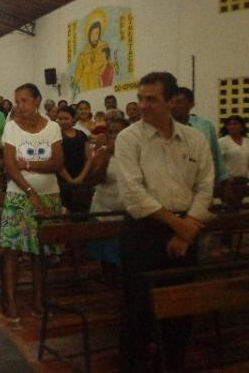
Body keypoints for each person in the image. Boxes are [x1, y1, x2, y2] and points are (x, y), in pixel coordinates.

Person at [115, 72, 214, 371]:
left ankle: (171, 364)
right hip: (145, 231)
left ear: (172, 101)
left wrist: (188, 229)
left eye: (151, 99)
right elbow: (133, 194)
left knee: (181, 309)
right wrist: (178, 224)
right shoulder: (128, 138)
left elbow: (206, 185)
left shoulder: (194, 139)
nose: (143, 106)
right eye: (140, 99)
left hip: (186, 230)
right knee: (138, 311)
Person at [0, 83, 63, 323]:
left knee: (41, 252)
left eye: (24, 100)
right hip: (18, 195)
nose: (20, 106)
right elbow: (9, 164)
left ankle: (38, 299)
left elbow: (57, 162)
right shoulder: (12, 128)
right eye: (17, 101)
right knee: (12, 250)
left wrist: (27, 164)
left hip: (49, 194)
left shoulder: (53, 127)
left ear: (36, 100)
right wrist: (29, 190)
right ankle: (12, 301)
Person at [86, 118, 129, 278]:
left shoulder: (134, 151)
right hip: (103, 210)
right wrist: (108, 155)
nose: (114, 135)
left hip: (126, 212)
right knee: (107, 259)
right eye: (111, 132)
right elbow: (95, 179)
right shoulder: (102, 153)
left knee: (125, 257)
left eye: (118, 132)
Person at [172, 87, 228, 184]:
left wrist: (224, 178)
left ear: (191, 104)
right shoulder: (163, 126)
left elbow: (215, 154)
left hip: (202, 182)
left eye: (179, 102)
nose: (174, 106)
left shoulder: (205, 126)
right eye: (172, 102)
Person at [57, 106, 93, 214]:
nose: (63, 121)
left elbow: (88, 158)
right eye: (60, 119)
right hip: (62, 180)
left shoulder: (82, 135)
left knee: (81, 212)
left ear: (73, 119)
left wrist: (81, 177)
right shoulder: (55, 136)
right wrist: (69, 179)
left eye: (66, 118)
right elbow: (57, 161)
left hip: (82, 179)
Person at [73, 19, 111, 92]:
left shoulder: (103, 48)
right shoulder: (84, 51)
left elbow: (99, 64)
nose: (94, 37)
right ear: (88, 34)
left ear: (99, 34)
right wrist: (75, 81)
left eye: (96, 33)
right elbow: (79, 68)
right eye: (92, 33)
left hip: (96, 82)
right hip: (84, 83)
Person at [219, 115, 249, 181]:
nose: (232, 126)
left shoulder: (247, 141)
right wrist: (225, 177)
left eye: (235, 124)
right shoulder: (222, 142)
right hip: (228, 181)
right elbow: (218, 162)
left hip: (245, 179)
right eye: (229, 124)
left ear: (242, 126)